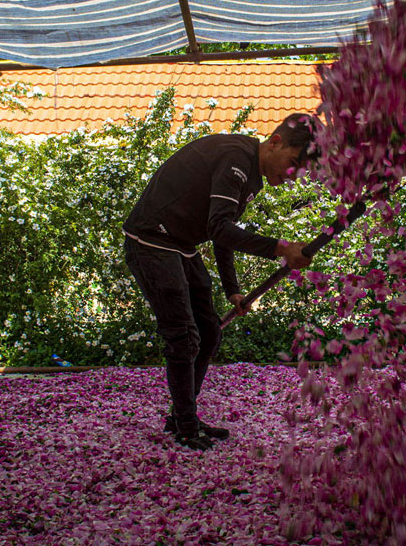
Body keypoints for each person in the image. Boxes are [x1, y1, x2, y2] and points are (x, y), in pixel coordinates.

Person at [122, 113, 316, 450]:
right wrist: (281, 249)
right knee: (183, 337)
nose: (291, 175)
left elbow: (222, 232)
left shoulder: (251, 173)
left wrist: (233, 291)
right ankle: (184, 426)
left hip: (179, 244)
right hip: (151, 240)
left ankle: (182, 416)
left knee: (209, 331)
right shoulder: (236, 161)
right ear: (275, 142)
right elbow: (220, 229)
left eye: (299, 172)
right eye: (293, 163)